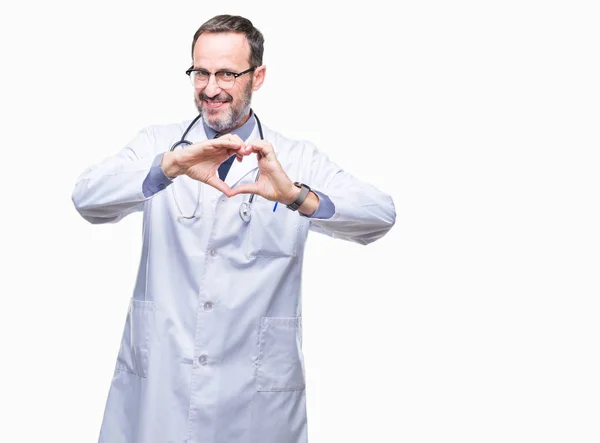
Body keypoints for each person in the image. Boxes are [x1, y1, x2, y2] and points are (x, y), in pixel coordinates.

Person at [72, 14, 396, 443]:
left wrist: (295, 196)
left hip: (254, 400)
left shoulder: (295, 158)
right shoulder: (160, 145)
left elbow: (379, 214)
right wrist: (171, 166)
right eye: (200, 72)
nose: (210, 88)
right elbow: (87, 198)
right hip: (162, 389)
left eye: (226, 73)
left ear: (257, 76)